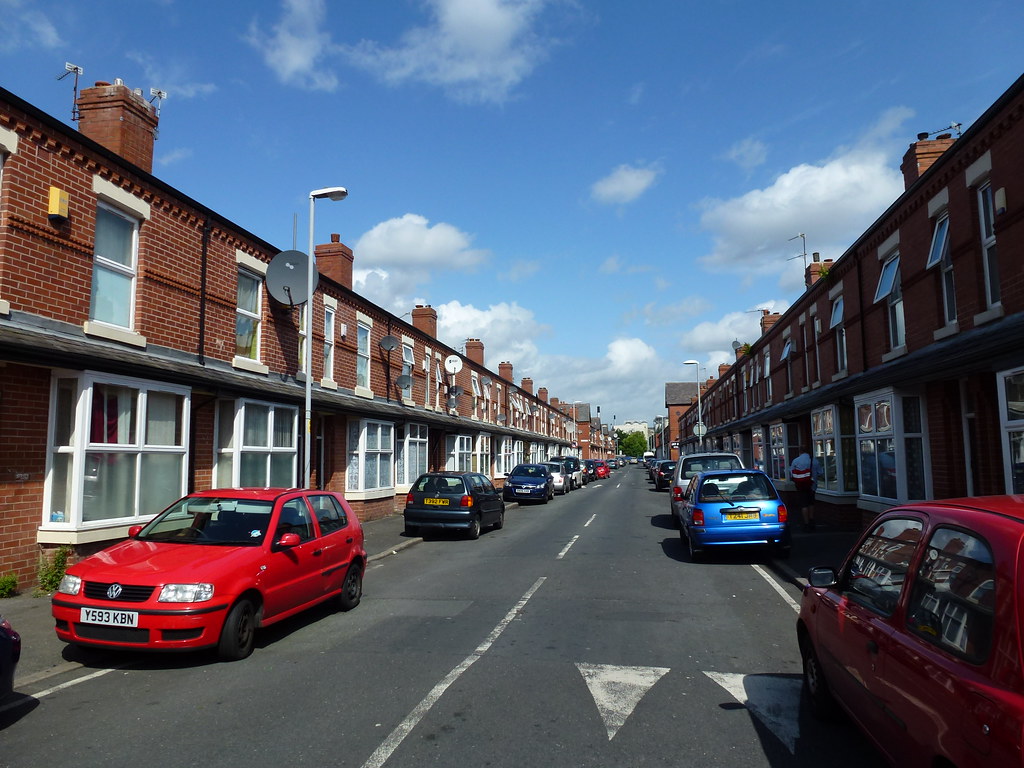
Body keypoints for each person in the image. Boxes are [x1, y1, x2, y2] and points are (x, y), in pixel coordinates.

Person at [790, 446, 823, 532]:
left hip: (801, 486)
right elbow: (820, 472)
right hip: (812, 486)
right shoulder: (814, 460)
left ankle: (806, 523)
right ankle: (811, 520)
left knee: (804, 504)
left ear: (800, 451)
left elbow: (791, 474)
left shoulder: (796, 461)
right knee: (811, 503)